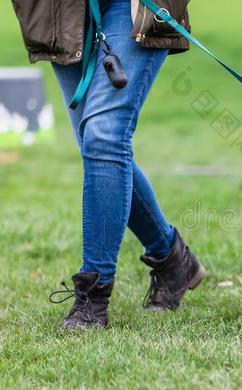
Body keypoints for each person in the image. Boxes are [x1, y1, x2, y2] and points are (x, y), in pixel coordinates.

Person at [12, 0, 206, 329]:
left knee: (104, 137)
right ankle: (172, 259)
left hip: (131, 7)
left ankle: (93, 297)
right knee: (96, 144)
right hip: (61, 10)